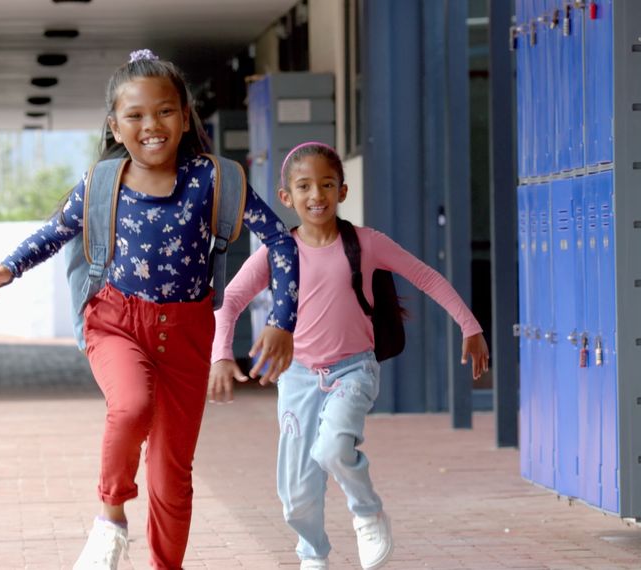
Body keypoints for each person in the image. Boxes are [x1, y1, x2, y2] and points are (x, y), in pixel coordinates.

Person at [0, 49, 300, 570]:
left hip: (189, 331)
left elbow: (282, 244)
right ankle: (110, 517)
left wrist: (283, 320)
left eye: (165, 111)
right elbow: (54, 233)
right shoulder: (103, 183)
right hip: (117, 322)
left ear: (185, 115)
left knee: (173, 474)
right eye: (136, 115)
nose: (152, 125)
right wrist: (8, 268)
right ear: (115, 125)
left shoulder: (214, 180)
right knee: (129, 407)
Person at [208, 142, 490, 570]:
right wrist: (221, 354)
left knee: (335, 447)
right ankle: (313, 555)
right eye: (304, 186)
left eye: (326, 184)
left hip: (353, 370)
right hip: (298, 377)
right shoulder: (278, 251)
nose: (316, 195)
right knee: (296, 494)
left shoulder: (366, 243)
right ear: (287, 197)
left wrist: (470, 325)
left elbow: (426, 276)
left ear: (342, 191)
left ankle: (367, 512)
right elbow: (228, 301)